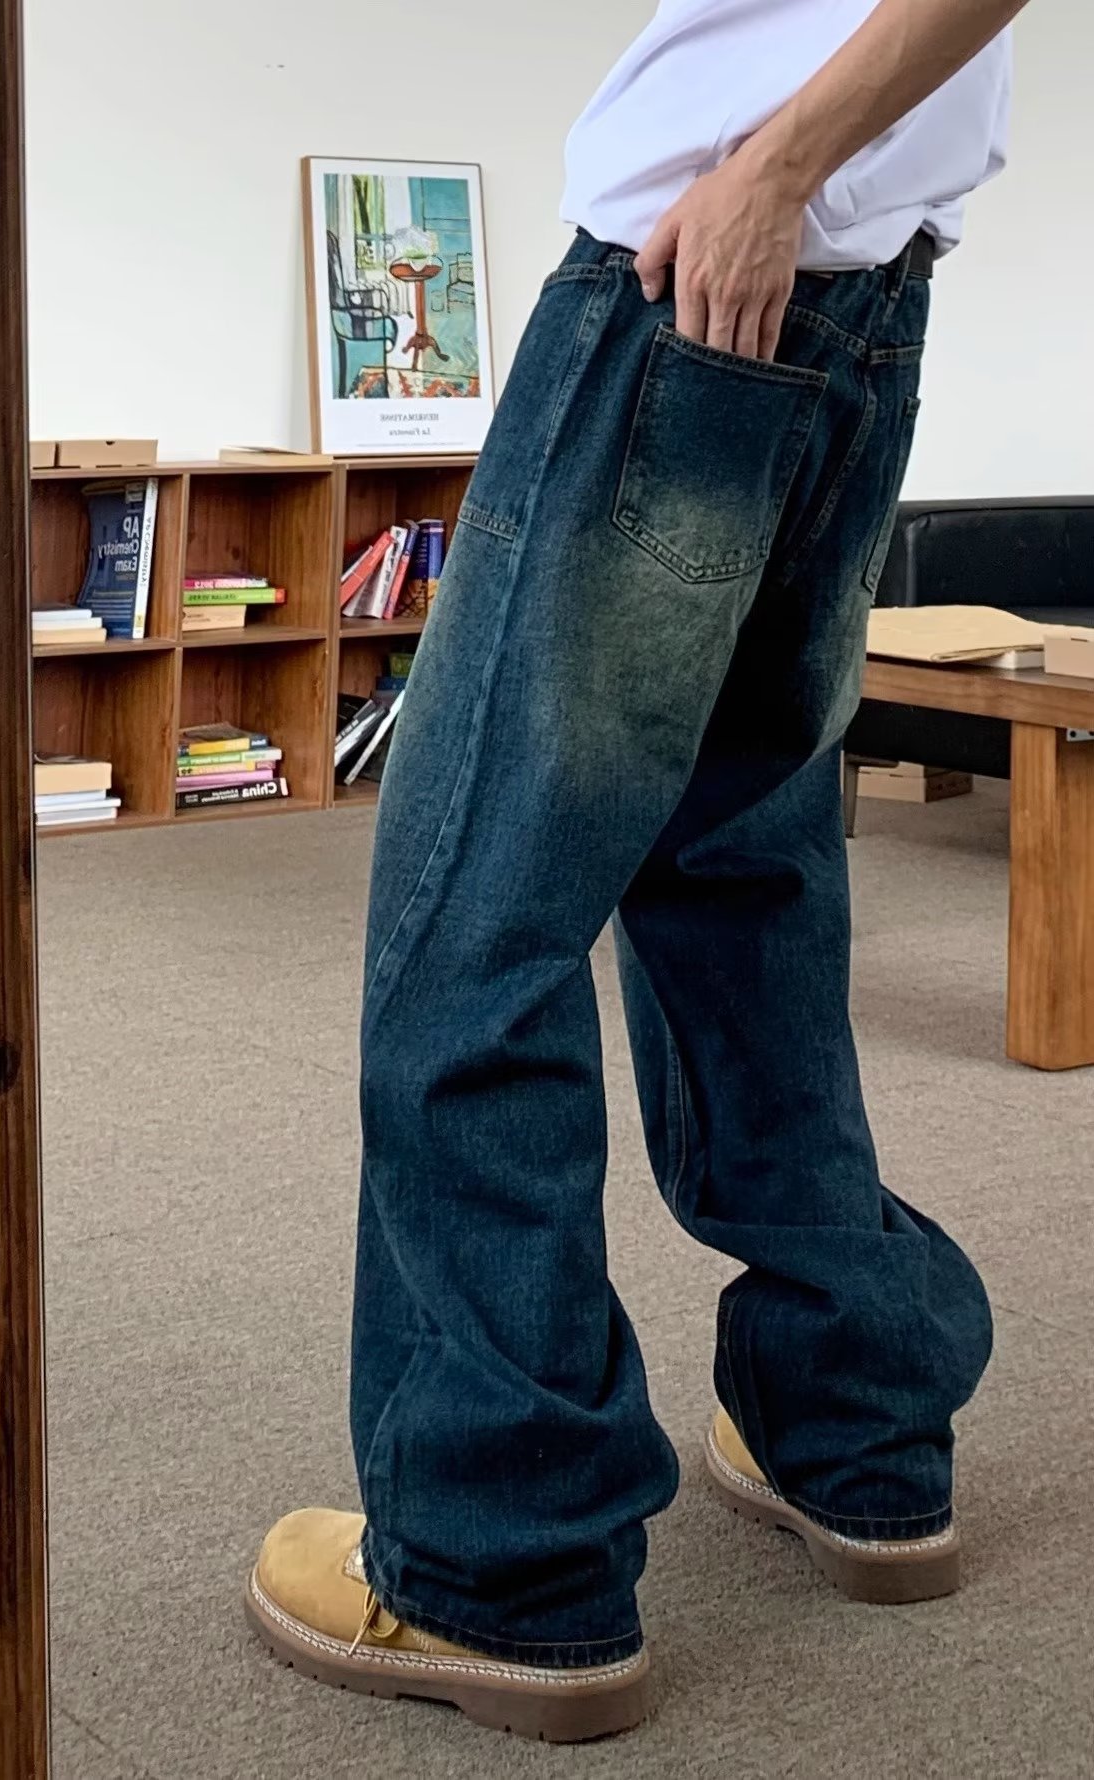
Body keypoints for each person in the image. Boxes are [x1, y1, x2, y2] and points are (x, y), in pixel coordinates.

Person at [246, 0, 1025, 1744]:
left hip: (693, 273)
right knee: (742, 892)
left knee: (473, 920)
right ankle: (854, 1432)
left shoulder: (755, 182)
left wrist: (774, 167)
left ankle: (496, 1563)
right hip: (861, 304)